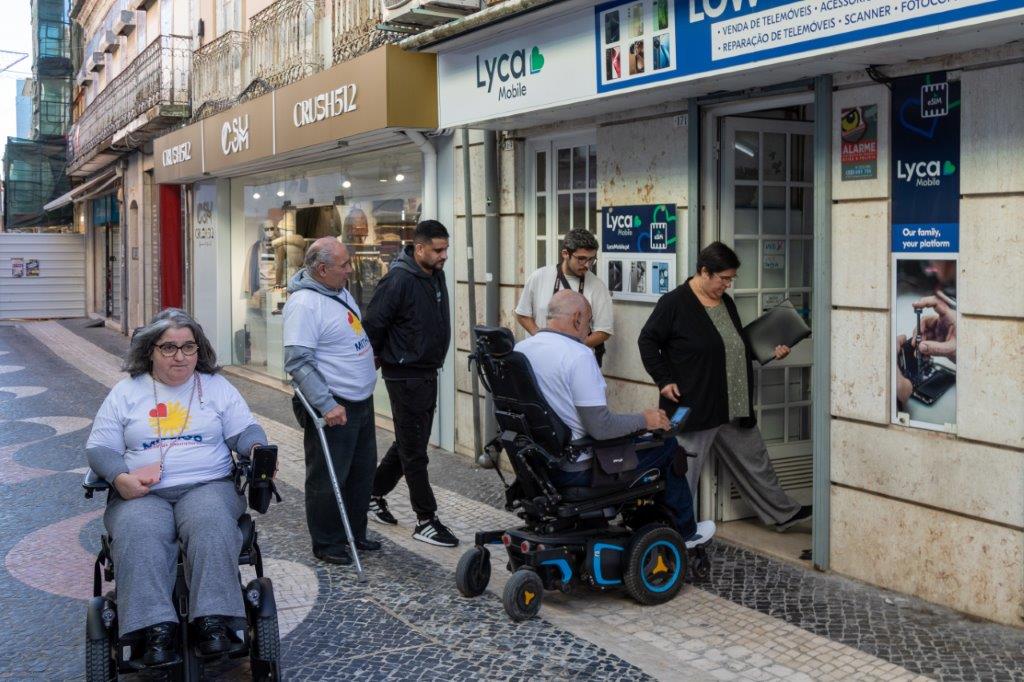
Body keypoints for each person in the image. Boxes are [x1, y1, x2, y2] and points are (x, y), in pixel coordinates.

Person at [86, 309, 269, 666]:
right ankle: (153, 629)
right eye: (169, 347)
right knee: (140, 532)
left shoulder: (215, 387)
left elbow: (245, 430)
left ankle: (213, 621)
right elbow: (100, 448)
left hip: (207, 485)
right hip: (142, 491)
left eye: (189, 347)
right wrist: (121, 478)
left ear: (199, 350)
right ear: (149, 350)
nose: (180, 356)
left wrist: (256, 448)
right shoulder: (127, 392)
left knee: (210, 524)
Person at [516, 290, 714, 545]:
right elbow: (601, 427)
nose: (589, 331)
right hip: (577, 469)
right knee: (667, 447)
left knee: (642, 443)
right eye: (588, 323)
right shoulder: (578, 356)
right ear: (577, 319)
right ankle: (686, 533)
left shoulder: (522, 350)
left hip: (537, 467)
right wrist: (646, 420)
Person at [638, 242, 811, 532]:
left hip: (735, 401)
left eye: (731, 279)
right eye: (724, 278)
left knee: (756, 461)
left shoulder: (725, 302)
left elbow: (733, 343)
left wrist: (769, 348)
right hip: (695, 403)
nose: (728, 285)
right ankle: (672, 531)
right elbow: (647, 341)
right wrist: (664, 379)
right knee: (683, 471)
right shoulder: (674, 303)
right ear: (704, 272)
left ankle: (783, 513)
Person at [283, 238, 380, 565]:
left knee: (361, 472)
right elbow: (297, 362)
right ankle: (327, 543)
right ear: (322, 269)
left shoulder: (338, 291)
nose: (350, 271)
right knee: (329, 476)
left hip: (360, 400)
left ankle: (355, 532)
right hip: (335, 403)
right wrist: (326, 404)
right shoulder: (305, 304)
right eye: (344, 265)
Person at [363, 220, 458, 547]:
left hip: (426, 372)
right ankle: (426, 520)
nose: (444, 255)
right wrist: (378, 362)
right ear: (419, 248)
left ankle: (371, 495)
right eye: (438, 249)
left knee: (408, 442)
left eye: (446, 248)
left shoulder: (435, 274)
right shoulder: (399, 279)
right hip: (405, 375)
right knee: (415, 450)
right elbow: (372, 325)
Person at [515, 228, 614, 366]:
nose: (587, 265)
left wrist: (571, 348)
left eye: (591, 259)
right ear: (565, 254)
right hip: (540, 359)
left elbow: (604, 331)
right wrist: (541, 338)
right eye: (581, 259)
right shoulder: (539, 276)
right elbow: (522, 314)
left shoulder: (598, 286)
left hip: (577, 363)